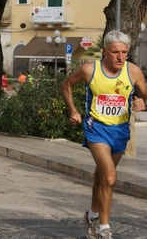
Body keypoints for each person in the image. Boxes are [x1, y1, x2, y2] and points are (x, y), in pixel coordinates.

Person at [61, 30, 147, 239]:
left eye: (124, 52)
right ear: (105, 52)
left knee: (102, 177)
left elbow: (145, 97)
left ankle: (91, 215)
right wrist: (73, 110)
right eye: (116, 52)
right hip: (96, 128)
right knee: (110, 177)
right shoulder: (90, 69)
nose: (120, 57)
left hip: (120, 131)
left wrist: (143, 104)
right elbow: (67, 84)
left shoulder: (133, 71)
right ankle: (104, 228)